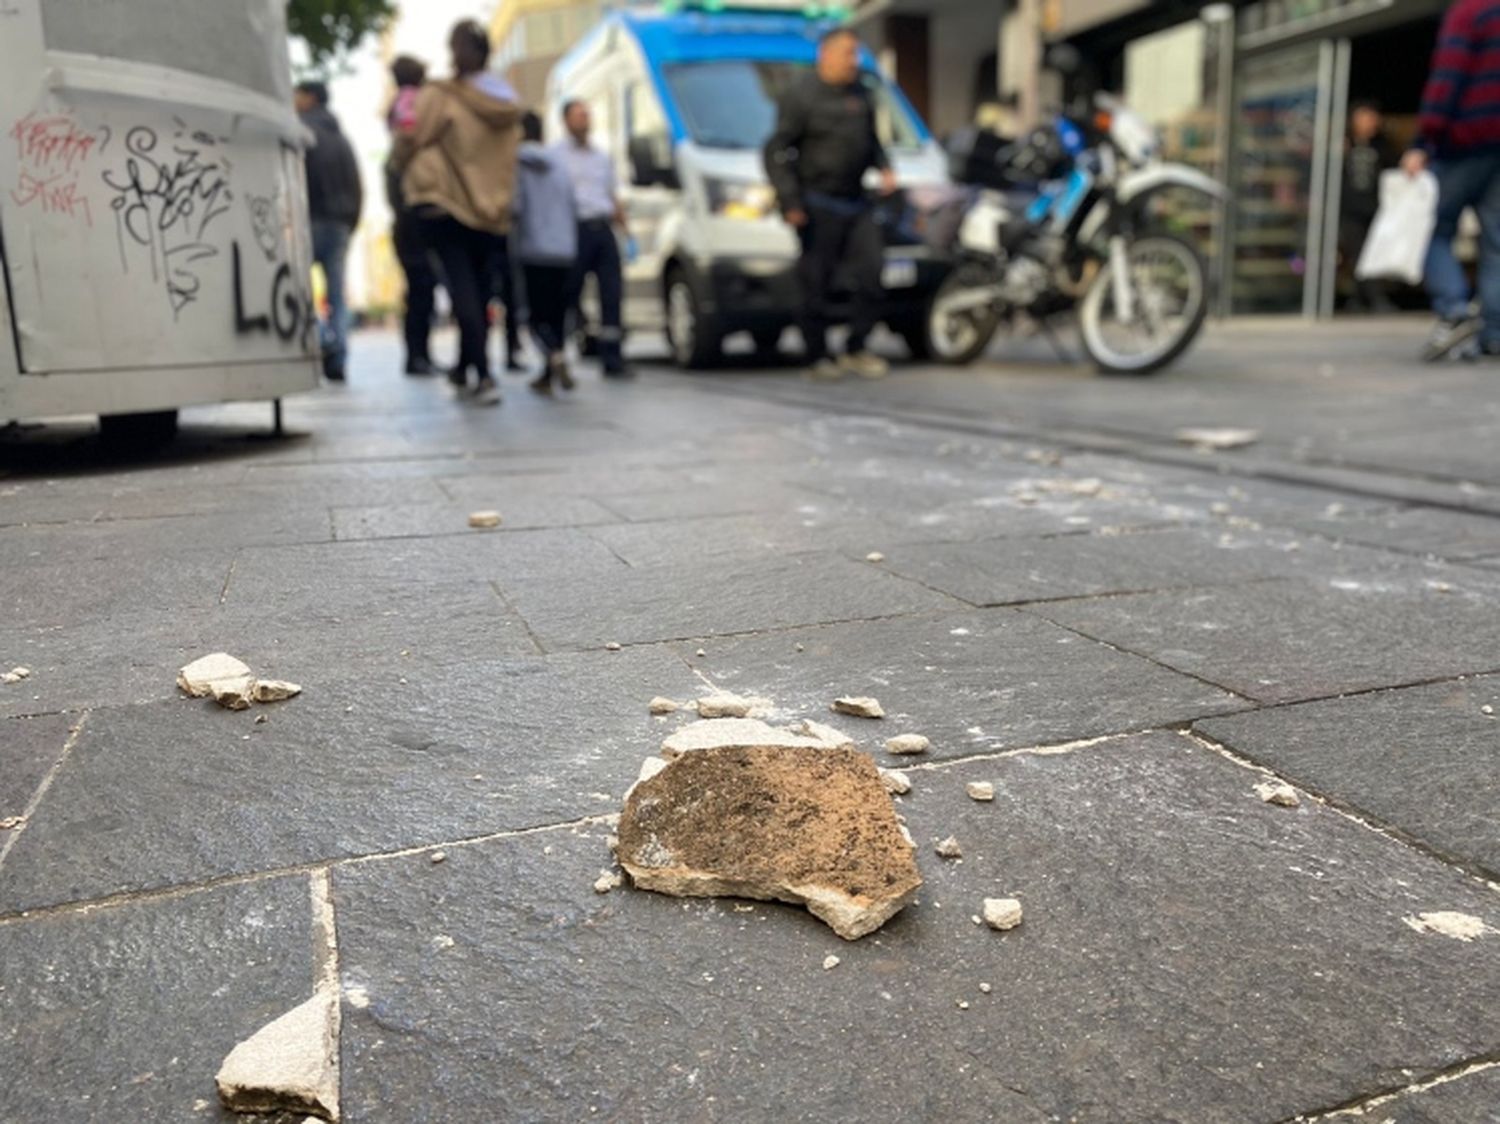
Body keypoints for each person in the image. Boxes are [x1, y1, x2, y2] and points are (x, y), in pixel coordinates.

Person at [395, 19, 521, 406]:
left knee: (463, 290)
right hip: (494, 207)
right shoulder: (507, 101)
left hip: (449, 204)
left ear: (462, 51)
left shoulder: (444, 94)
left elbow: (413, 137)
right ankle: (467, 366)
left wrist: (401, 166)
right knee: (481, 290)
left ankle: (482, 373)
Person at [764, 26, 897, 381]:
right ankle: (817, 354)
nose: (853, 61)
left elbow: (871, 140)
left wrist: (885, 168)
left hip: (856, 201)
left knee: (872, 274)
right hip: (816, 202)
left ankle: (857, 346)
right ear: (826, 55)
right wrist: (790, 200)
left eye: (855, 54)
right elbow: (776, 151)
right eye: (847, 54)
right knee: (816, 283)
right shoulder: (800, 95)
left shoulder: (861, 94)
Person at [1403, 0, 1500, 361]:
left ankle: (1455, 309)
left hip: (1466, 140)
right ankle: (1494, 334)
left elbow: (1447, 78)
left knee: (1429, 226)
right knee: (1496, 241)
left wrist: (1422, 141)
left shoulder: (1468, 12)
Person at [295, 81, 362, 382]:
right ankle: (338, 354)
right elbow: (357, 185)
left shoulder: (302, 132)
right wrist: (351, 222)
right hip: (340, 223)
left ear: (310, 98)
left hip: (309, 220)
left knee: (299, 290)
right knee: (336, 295)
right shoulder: (341, 138)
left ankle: (326, 341)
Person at [556, 100, 629, 377]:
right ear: (566, 121)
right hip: (574, 230)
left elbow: (612, 194)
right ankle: (558, 354)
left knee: (612, 293)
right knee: (568, 292)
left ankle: (613, 358)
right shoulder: (556, 156)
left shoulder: (601, 156)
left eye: (587, 114)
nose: (585, 119)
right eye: (579, 115)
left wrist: (624, 228)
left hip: (603, 229)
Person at [513, 112, 579, 395]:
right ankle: (548, 373)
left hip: (533, 248)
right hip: (564, 247)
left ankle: (553, 354)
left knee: (535, 315)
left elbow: (514, 207)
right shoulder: (561, 164)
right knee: (558, 313)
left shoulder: (517, 166)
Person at [385, 55, 438, 377]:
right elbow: (411, 134)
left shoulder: (400, 103)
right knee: (422, 286)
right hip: (415, 210)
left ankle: (419, 354)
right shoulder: (411, 103)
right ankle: (418, 355)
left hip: (407, 212)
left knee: (420, 287)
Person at [1339, 100, 1396, 313]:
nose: (1368, 122)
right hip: (1349, 209)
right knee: (1356, 254)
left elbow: (1394, 173)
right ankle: (1366, 298)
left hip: (1376, 208)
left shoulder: (1383, 147)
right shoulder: (1343, 145)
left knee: (1373, 254)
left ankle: (1365, 298)